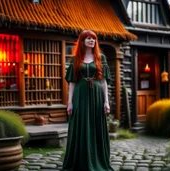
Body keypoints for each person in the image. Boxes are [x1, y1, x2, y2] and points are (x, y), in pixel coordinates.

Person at [62, 30, 114, 171]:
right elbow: (72, 82)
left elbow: (103, 81)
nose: (91, 40)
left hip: (97, 96)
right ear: (82, 41)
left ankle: (98, 160)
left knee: (96, 125)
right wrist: (70, 102)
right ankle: (80, 160)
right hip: (80, 95)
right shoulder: (75, 59)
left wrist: (106, 101)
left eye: (94, 39)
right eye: (88, 38)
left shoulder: (101, 58)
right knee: (81, 125)